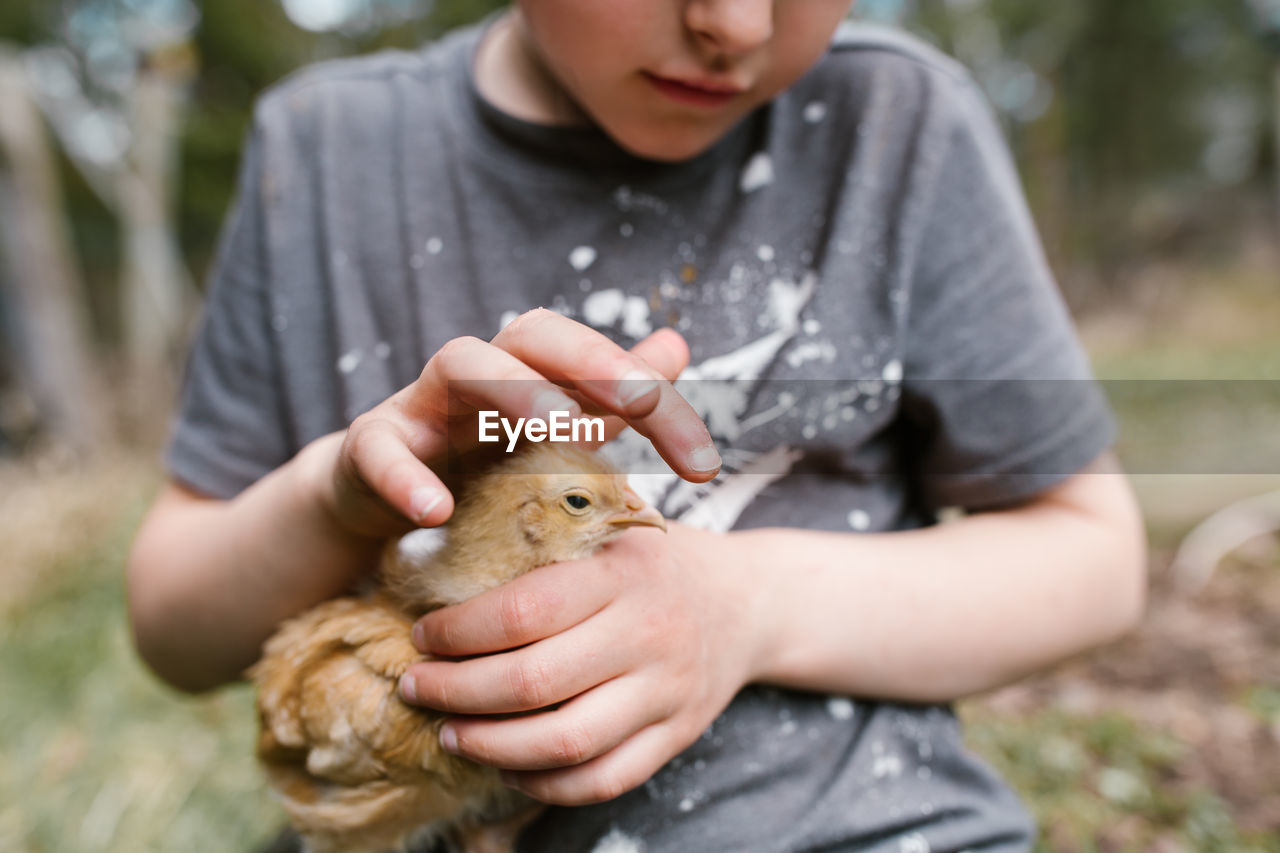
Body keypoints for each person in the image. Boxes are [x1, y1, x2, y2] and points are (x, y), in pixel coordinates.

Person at [127, 1, 1148, 850]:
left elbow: (1095, 558)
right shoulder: (324, 155)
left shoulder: (891, 122)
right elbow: (173, 629)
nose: (733, 25)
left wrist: (749, 605)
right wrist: (332, 495)